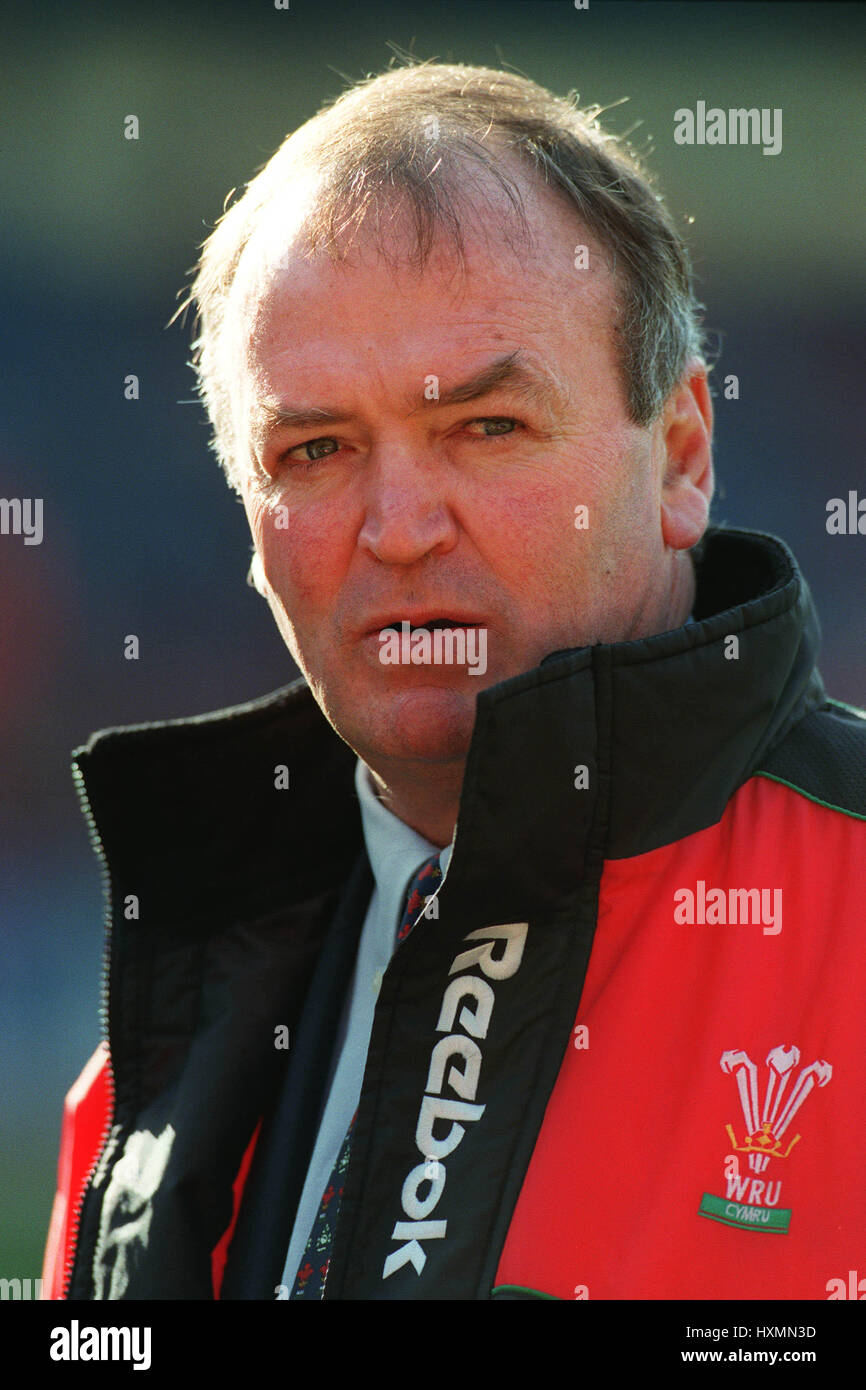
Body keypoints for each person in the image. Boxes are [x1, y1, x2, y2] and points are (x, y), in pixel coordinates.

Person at [43, 60, 866, 1302]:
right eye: (314, 449)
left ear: (681, 459)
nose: (399, 524)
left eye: (486, 428)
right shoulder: (138, 1079)